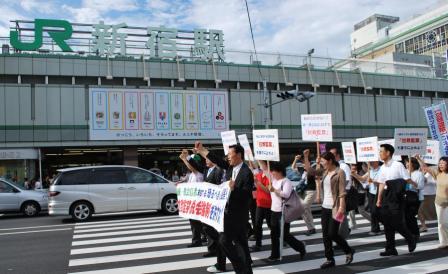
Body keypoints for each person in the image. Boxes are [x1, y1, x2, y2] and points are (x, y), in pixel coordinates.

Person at [196, 142, 253, 274]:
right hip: (228, 213)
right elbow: (218, 160)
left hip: (238, 216)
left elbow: (247, 196)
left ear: (238, 155)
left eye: (230, 154)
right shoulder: (230, 168)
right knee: (241, 244)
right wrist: (202, 150)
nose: (228, 157)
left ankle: (241, 268)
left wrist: (234, 189)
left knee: (224, 241)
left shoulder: (246, 172)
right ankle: (246, 269)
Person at [315, 152, 355, 269]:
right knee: (325, 235)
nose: (322, 164)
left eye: (323, 161)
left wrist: (342, 207)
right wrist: (307, 158)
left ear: (330, 161)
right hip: (325, 207)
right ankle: (329, 259)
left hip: (336, 207)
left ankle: (348, 250)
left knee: (332, 233)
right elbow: (311, 171)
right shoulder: (325, 171)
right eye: (321, 162)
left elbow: (342, 191)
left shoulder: (340, 172)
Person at [375, 144, 416, 256]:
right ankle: (390, 248)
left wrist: (414, 185)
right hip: (386, 196)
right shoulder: (382, 167)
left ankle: (410, 237)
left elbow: (407, 179)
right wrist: (379, 199)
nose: (380, 153)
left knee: (396, 221)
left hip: (397, 196)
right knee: (387, 223)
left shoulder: (398, 165)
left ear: (388, 153)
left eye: (381, 151)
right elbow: (382, 184)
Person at [267, 162, 306, 262]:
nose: (272, 173)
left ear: (279, 171)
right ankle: (274, 255)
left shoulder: (286, 181)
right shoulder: (274, 180)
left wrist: (274, 190)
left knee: (284, 235)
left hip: (283, 211)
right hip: (274, 210)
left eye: (274, 171)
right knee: (274, 234)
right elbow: (264, 169)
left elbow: (286, 194)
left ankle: (300, 247)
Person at [416, 156, 448, 249]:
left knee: (446, 223)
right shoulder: (437, 173)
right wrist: (418, 158)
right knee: (441, 223)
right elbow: (425, 168)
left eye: (443, 163)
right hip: (439, 202)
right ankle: (444, 242)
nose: (441, 165)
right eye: (440, 163)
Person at [178, 149, 205, 248]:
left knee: (196, 221)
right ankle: (201, 237)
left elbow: (193, 168)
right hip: (193, 201)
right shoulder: (192, 174)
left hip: (198, 201)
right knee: (195, 221)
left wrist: (184, 159)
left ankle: (197, 240)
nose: (189, 165)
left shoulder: (199, 173)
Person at [202, 157, 224, 258]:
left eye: (208, 159)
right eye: (205, 159)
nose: (206, 161)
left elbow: (219, 185)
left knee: (211, 226)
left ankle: (216, 246)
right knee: (206, 226)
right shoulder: (206, 170)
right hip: (207, 201)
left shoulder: (218, 171)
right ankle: (213, 247)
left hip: (215, 202)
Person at [351, 161, 382, 235]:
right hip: (371, 192)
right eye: (369, 162)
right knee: (373, 211)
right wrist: (354, 174)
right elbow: (362, 179)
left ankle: (379, 227)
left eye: (372, 162)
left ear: (377, 162)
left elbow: (383, 182)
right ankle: (375, 229)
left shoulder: (382, 169)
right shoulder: (370, 171)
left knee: (377, 211)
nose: (370, 163)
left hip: (380, 192)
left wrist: (374, 181)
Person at [249, 160, 272, 252]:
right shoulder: (258, 175)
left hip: (269, 205)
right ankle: (258, 244)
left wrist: (257, 182)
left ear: (266, 165)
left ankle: (281, 240)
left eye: (261, 164)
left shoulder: (269, 176)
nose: (259, 166)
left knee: (271, 225)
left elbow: (268, 190)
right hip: (259, 204)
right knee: (257, 225)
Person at [404, 157, 425, 241]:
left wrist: (411, 182)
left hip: (414, 197)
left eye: (409, 162)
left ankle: (415, 234)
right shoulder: (404, 173)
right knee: (405, 217)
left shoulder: (418, 174)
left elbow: (420, 186)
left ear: (414, 164)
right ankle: (409, 234)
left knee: (411, 216)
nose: (407, 164)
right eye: (406, 163)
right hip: (404, 196)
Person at [301, 149, 318, 236]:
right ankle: (311, 228)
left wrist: (306, 156)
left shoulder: (311, 170)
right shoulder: (303, 172)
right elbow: (293, 168)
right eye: (303, 163)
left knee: (304, 207)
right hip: (305, 192)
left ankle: (311, 228)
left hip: (311, 191)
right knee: (306, 210)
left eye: (305, 163)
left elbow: (309, 168)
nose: (304, 164)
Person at [418, 168, 437, 233]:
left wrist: (427, 181)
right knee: (420, 211)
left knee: (434, 212)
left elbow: (436, 182)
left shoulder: (432, 172)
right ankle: (423, 226)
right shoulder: (420, 172)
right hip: (422, 195)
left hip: (431, 195)